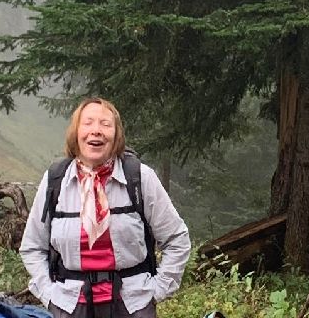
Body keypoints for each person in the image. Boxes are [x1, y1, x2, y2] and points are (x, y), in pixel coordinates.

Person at [20, 98, 192, 318]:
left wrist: (156, 291)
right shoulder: (56, 180)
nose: (96, 131)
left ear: (116, 135)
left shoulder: (139, 177)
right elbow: (32, 246)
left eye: (105, 124)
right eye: (88, 123)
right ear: (76, 133)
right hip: (70, 307)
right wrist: (49, 294)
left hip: (132, 306)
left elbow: (177, 238)